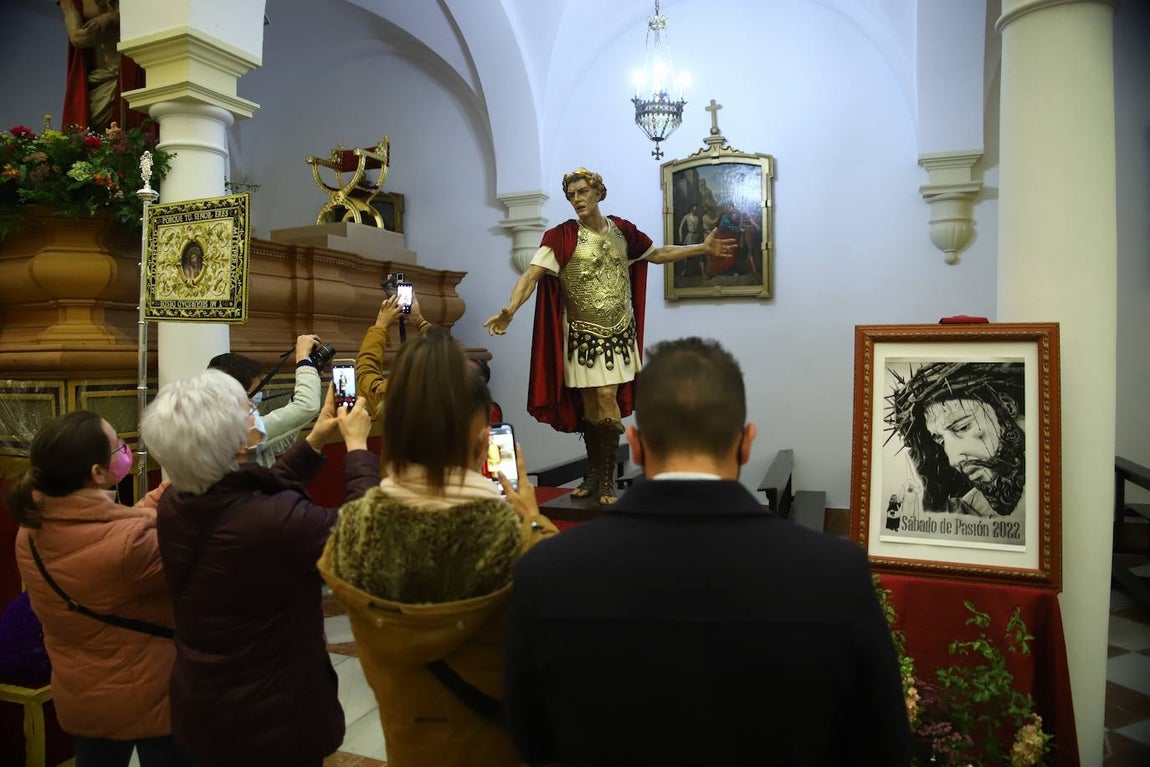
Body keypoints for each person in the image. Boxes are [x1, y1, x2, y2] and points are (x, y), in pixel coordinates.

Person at [504, 338, 911, 767]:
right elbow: (881, 748)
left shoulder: (546, 575)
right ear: (746, 442)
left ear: (637, 444)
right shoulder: (836, 575)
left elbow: (531, 742)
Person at [318, 327, 557, 767]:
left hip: (409, 749)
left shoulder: (350, 535)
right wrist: (534, 520)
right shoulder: (521, 542)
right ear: (484, 441)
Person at [139, 370, 378, 767]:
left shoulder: (179, 502)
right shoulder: (270, 521)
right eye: (248, 410)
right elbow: (364, 540)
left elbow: (256, 490)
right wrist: (356, 447)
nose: (256, 413)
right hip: (271, 719)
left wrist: (316, 438)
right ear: (236, 445)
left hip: (208, 703)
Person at [484, 168, 736, 505]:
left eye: (582, 192)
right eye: (571, 195)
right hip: (583, 337)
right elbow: (531, 275)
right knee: (591, 405)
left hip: (619, 334)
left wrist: (701, 249)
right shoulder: (561, 237)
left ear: (599, 192)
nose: (577, 200)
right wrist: (510, 309)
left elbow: (657, 254)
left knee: (606, 397)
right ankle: (596, 474)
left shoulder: (623, 232)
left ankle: (604, 480)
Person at [9, 410, 192, 766]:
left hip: (83, 693)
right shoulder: (130, 546)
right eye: (119, 446)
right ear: (97, 473)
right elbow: (189, 547)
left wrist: (167, 490)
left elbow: (111, 535)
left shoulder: (31, 529)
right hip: (151, 694)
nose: (126, 450)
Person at [887, 361, 1026, 517]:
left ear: (1007, 406)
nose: (954, 460)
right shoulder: (967, 511)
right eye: (941, 440)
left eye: (962, 428)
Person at [208, 333, 324, 468]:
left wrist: (311, 378)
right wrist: (303, 359)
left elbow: (280, 441)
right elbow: (306, 406)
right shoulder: (234, 431)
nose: (258, 401)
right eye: (255, 393)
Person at [59, 0, 145, 132]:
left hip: (128, 75)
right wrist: (113, 19)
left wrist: (113, 17)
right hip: (97, 79)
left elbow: (145, 12)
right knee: (90, 130)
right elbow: (78, 38)